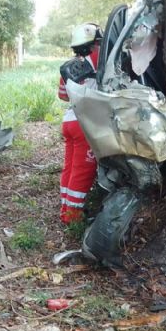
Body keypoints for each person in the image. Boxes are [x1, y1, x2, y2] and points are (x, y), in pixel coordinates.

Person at [58, 22, 101, 224]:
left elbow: (63, 96)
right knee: (83, 171)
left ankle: (65, 207)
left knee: (70, 168)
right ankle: (72, 218)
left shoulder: (68, 65)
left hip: (69, 122)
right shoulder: (96, 56)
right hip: (84, 123)